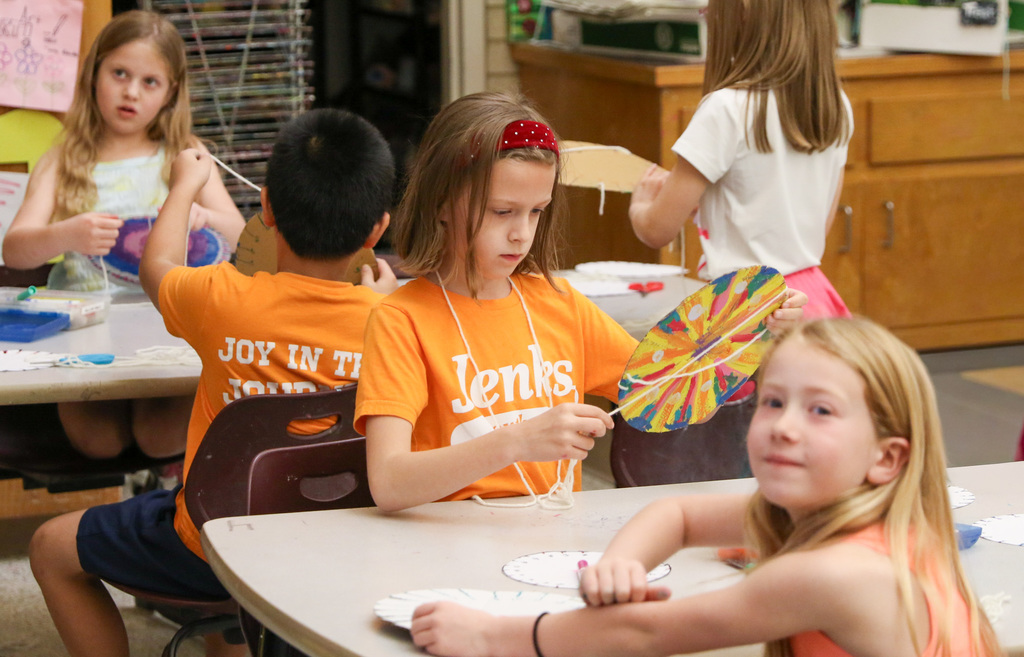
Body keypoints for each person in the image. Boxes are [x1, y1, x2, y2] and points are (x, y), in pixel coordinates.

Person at [28, 107, 397, 657]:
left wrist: (183, 186)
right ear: (378, 228)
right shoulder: (397, 326)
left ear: (266, 209)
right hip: (338, 545)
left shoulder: (220, 299)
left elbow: (157, 265)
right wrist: (381, 303)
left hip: (215, 545)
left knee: (50, 547)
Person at [408, 317, 1004, 657]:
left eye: (820, 411)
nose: (784, 426)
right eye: (773, 401)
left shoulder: (833, 573)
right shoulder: (867, 518)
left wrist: (493, 635)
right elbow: (680, 515)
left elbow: (649, 632)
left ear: (886, 459)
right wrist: (618, 567)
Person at [353, 90, 806, 513]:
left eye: (536, 211)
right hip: (443, 553)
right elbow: (390, 484)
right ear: (441, 203)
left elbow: (672, 390)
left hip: (553, 544)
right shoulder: (401, 321)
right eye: (501, 211)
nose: (521, 233)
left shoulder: (560, 304)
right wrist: (515, 442)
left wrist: (760, 336)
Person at [1, 10, 246, 460]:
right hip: (86, 329)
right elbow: (14, 251)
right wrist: (65, 235)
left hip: (169, 327)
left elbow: (244, 235)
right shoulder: (64, 158)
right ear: (95, 74)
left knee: (160, 438)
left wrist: (201, 214)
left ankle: (158, 488)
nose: (131, 91)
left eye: (150, 82)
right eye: (119, 74)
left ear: (172, 92)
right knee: (98, 443)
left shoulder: (186, 154)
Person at [628, 0, 853, 320]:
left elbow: (656, 230)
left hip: (744, 306)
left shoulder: (725, 109)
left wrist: (641, 204)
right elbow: (815, 224)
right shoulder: (837, 106)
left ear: (739, 17)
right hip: (806, 299)